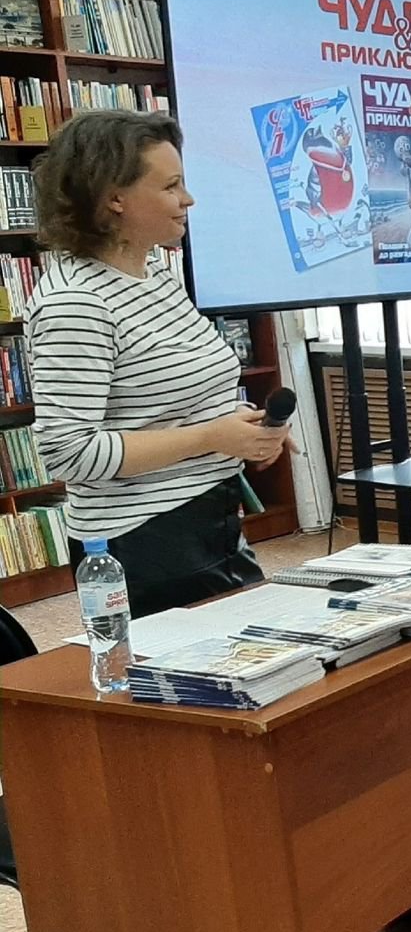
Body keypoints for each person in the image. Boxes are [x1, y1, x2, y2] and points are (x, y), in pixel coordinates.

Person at [28, 111, 290, 618]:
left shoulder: (157, 276)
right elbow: (69, 453)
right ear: (115, 198)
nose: (188, 199)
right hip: (144, 542)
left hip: (211, 515)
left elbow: (172, 400)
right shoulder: (75, 303)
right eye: (171, 186)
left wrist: (245, 429)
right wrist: (211, 436)